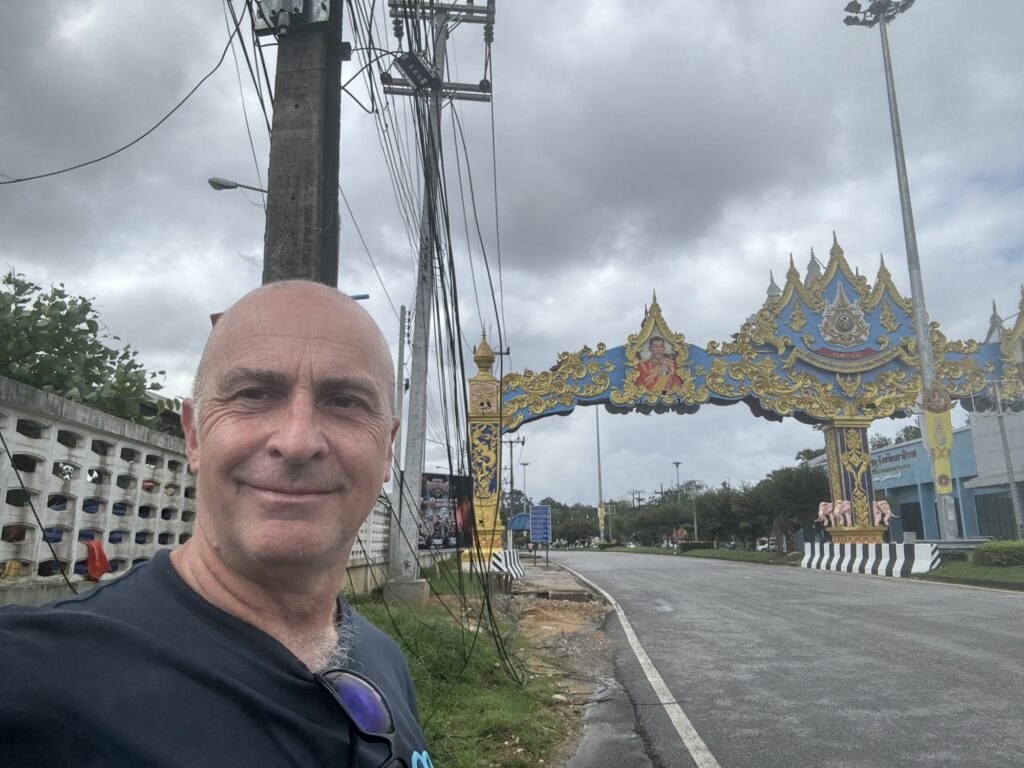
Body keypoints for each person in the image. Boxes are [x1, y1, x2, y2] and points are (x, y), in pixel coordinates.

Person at [0, 281, 433, 767]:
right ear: (194, 436)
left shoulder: (383, 662)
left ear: (388, 447)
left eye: (345, 402)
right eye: (254, 393)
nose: (297, 441)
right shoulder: (32, 675)